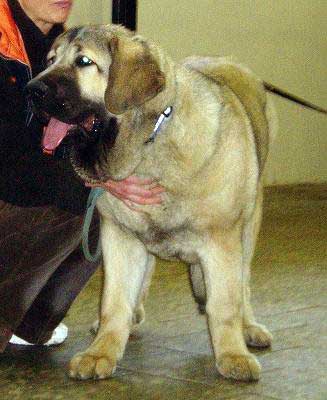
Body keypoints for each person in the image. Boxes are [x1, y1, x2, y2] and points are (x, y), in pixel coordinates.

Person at [0, 0, 163, 351]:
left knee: (107, 207)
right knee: (79, 198)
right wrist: (96, 180)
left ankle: (30, 325)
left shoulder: (61, 45)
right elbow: (9, 167)